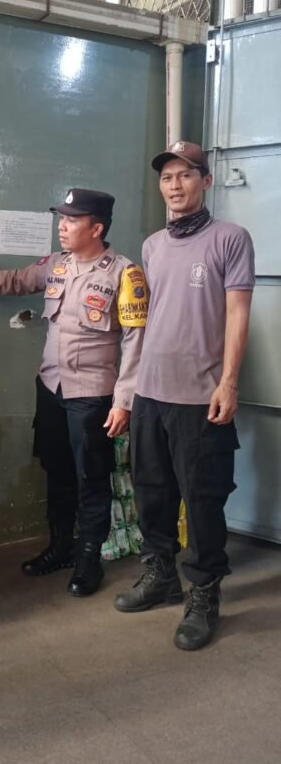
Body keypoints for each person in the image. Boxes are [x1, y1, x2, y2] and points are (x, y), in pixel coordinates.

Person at [0, 189, 147, 597]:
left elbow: (136, 342)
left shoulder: (124, 274)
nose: (62, 227)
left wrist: (124, 402)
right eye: (61, 219)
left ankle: (88, 561)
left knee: (91, 479)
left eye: (71, 220)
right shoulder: (56, 265)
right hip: (51, 388)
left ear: (96, 228)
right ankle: (61, 548)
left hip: (91, 396)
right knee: (57, 473)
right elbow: (15, 280)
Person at [114, 141, 255, 650]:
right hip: (152, 392)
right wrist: (130, 390)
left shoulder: (231, 239)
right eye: (167, 177)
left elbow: (237, 314)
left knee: (202, 500)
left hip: (201, 396)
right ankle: (161, 577)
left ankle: (204, 593)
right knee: (152, 493)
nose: (175, 185)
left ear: (205, 181)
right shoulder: (152, 246)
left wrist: (229, 381)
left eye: (186, 175)